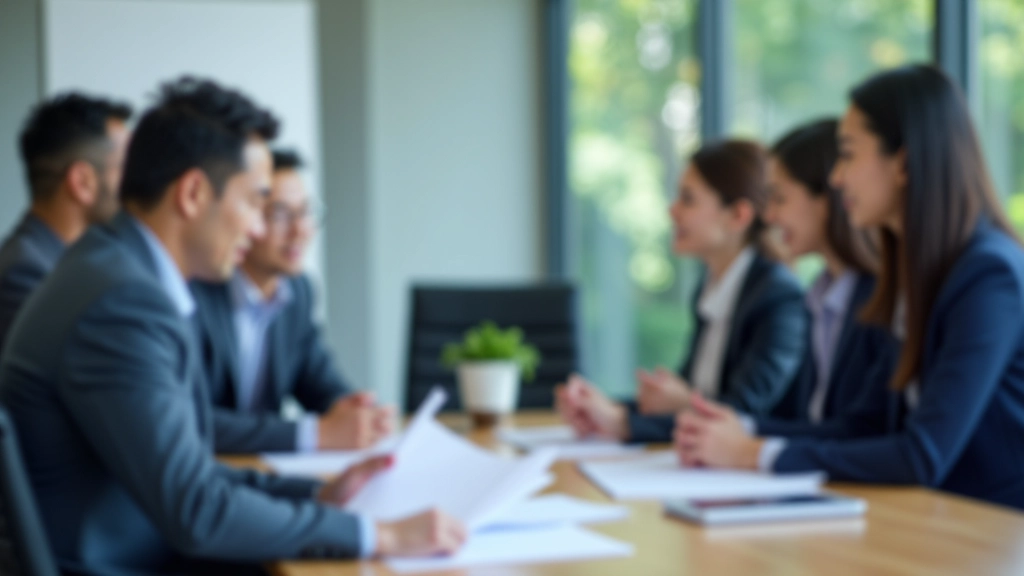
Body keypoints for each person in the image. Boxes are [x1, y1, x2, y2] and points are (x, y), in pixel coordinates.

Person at [0, 77, 464, 575]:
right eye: (254, 202)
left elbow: (191, 471)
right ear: (194, 193)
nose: (259, 228)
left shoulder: (116, 270)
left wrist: (320, 494)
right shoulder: (124, 302)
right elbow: (196, 512)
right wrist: (378, 534)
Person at [674, 64, 1024, 511]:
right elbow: (864, 425)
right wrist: (746, 431)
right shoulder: (914, 272)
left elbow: (922, 455)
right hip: (928, 522)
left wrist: (754, 453)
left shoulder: (986, 276)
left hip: (990, 534)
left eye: (849, 154)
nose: (837, 178)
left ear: (904, 162)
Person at [556, 140, 807, 443]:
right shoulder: (711, 288)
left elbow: (742, 416)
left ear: (738, 216)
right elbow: (689, 395)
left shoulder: (778, 297)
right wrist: (608, 409)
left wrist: (625, 422)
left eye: (688, 199)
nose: (672, 210)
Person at [192, 149, 392, 454]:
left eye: (306, 212)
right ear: (250, 217)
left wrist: (352, 411)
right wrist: (314, 434)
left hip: (263, 471)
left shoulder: (299, 291)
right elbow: (192, 420)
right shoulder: (196, 291)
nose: (300, 230)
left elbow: (318, 379)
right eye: (281, 215)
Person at [753, 119, 898, 433]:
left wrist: (747, 438)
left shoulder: (881, 297)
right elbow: (799, 418)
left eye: (780, 198)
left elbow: (860, 431)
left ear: (826, 201)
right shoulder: (819, 297)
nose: (770, 216)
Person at [0, 93, 131, 351]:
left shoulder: (63, 258)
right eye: (126, 168)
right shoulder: (26, 272)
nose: (137, 184)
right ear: (82, 182)